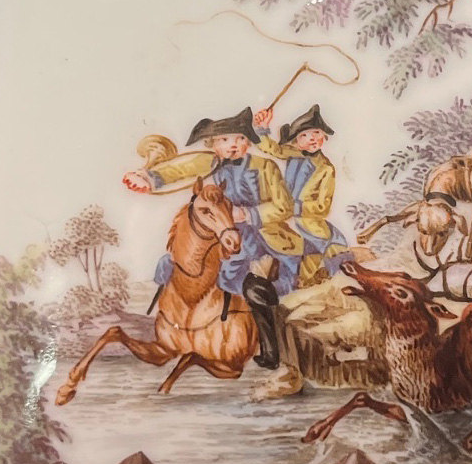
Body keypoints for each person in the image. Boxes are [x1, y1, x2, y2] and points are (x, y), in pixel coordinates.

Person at [122, 107, 302, 369]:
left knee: (254, 289)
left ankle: (270, 350)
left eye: (240, 139)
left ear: (249, 142)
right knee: (175, 265)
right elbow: (182, 168)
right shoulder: (210, 164)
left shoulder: (265, 167)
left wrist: (248, 214)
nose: (233, 145)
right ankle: (179, 331)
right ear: (213, 144)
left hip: (262, 238)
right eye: (225, 140)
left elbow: (284, 207)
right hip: (222, 236)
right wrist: (150, 178)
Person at [252, 103, 353, 287]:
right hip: (283, 214)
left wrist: (296, 207)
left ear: (324, 136)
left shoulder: (326, 169)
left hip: (308, 223)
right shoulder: (294, 154)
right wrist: (262, 128)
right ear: (296, 142)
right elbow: (273, 149)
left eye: (316, 133)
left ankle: (307, 280)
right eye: (303, 135)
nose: (311, 139)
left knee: (314, 258)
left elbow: (322, 207)